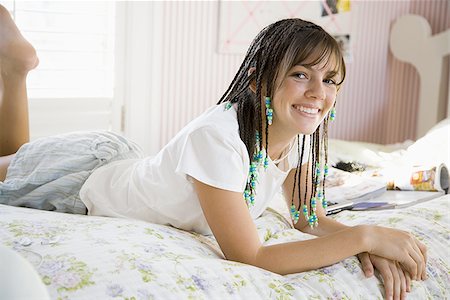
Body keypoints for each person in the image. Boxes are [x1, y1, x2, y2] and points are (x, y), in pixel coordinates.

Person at [0, 6, 426, 299]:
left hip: (126, 164)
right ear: (258, 82)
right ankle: (17, 68)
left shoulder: (294, 135)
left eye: (331, 80)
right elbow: (249, 255)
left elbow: (304, 218)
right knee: (12, 161)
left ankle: (13, 68)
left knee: (14, 155)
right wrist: (363, 235)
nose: (318, 92)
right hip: (85, 180)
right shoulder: (218, 136)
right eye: (301, 75)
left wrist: (372, 245)